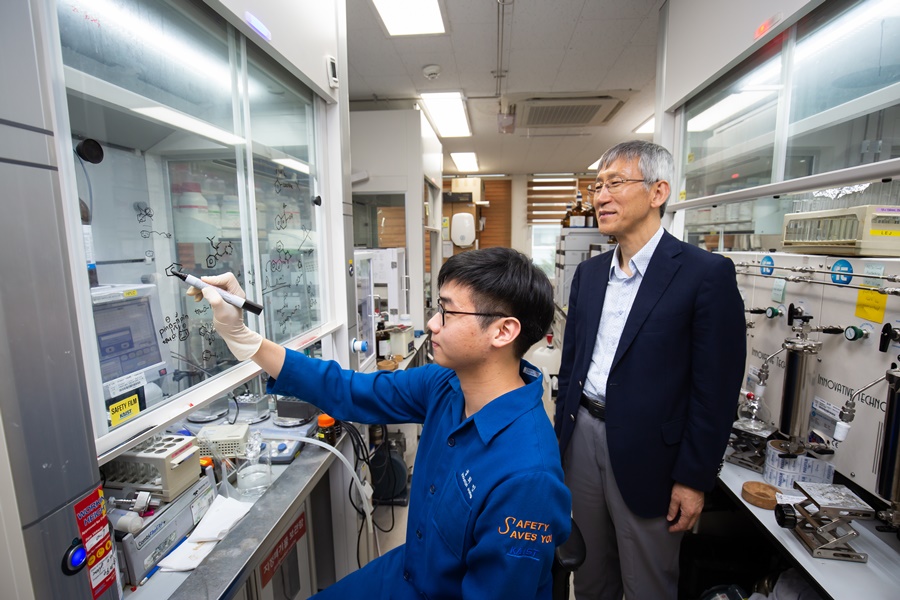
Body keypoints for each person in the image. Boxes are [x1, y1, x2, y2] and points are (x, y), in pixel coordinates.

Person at [190, 247, 571, 599]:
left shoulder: (526, 476)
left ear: (503, 331)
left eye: (448, 313)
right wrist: (245, 339)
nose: (432, 323)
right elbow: (350, 390)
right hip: (410, 569)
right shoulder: (447, 385)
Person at [554, 140, 746, 599]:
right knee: (591, 574)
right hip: (582, 437)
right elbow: (572, 361)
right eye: (597, 185)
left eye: (615, 183)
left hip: (652, 457)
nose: (600, 196)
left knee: (648, 583)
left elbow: (714, 391)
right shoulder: (590, 274)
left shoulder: (705, 274)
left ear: (658, 192)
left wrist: (694, 478)